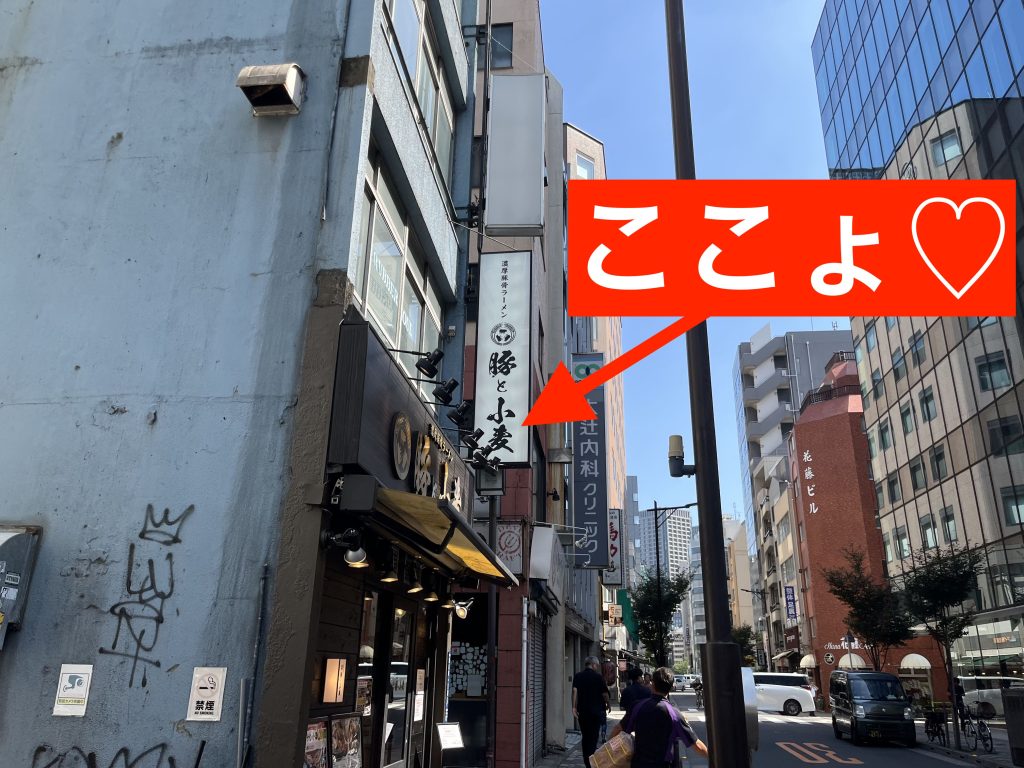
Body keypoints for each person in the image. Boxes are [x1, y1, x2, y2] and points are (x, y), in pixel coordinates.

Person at [610, 667, 709, 765]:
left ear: (653, 684)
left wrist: (607, 753)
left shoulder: (637, 706)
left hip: (638, 763)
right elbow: (697, 745)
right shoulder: (674, 714)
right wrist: (713, 757)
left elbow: (617, 729)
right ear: (671, 687)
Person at [573, 656, 611, 768]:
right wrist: (608, 704)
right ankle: (591, 759)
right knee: (594, 736)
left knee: (585, 736)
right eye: (597, 665)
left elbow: (575, 691)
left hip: (582, 711)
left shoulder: (578, 676)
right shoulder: (598, 677)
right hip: (596, 711)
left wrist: (574, 707)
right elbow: (605, 694)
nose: (597, 667)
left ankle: (587, 760)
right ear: (593, 665)